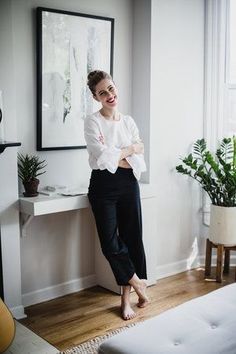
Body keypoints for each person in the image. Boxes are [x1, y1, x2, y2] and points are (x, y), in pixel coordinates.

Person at [84, 70, 149, 320]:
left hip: (129, 184)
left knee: (133, 238)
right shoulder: (92, 122)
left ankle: (127, 301)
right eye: (103, 92)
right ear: (96, 97)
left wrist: (121, 152)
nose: (110, 95)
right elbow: (101, 157)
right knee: (110, 243)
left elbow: (138, 156)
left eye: (111, 88)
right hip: (102, 186)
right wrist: (128, 150)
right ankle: (137, 282)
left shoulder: (128, 121)